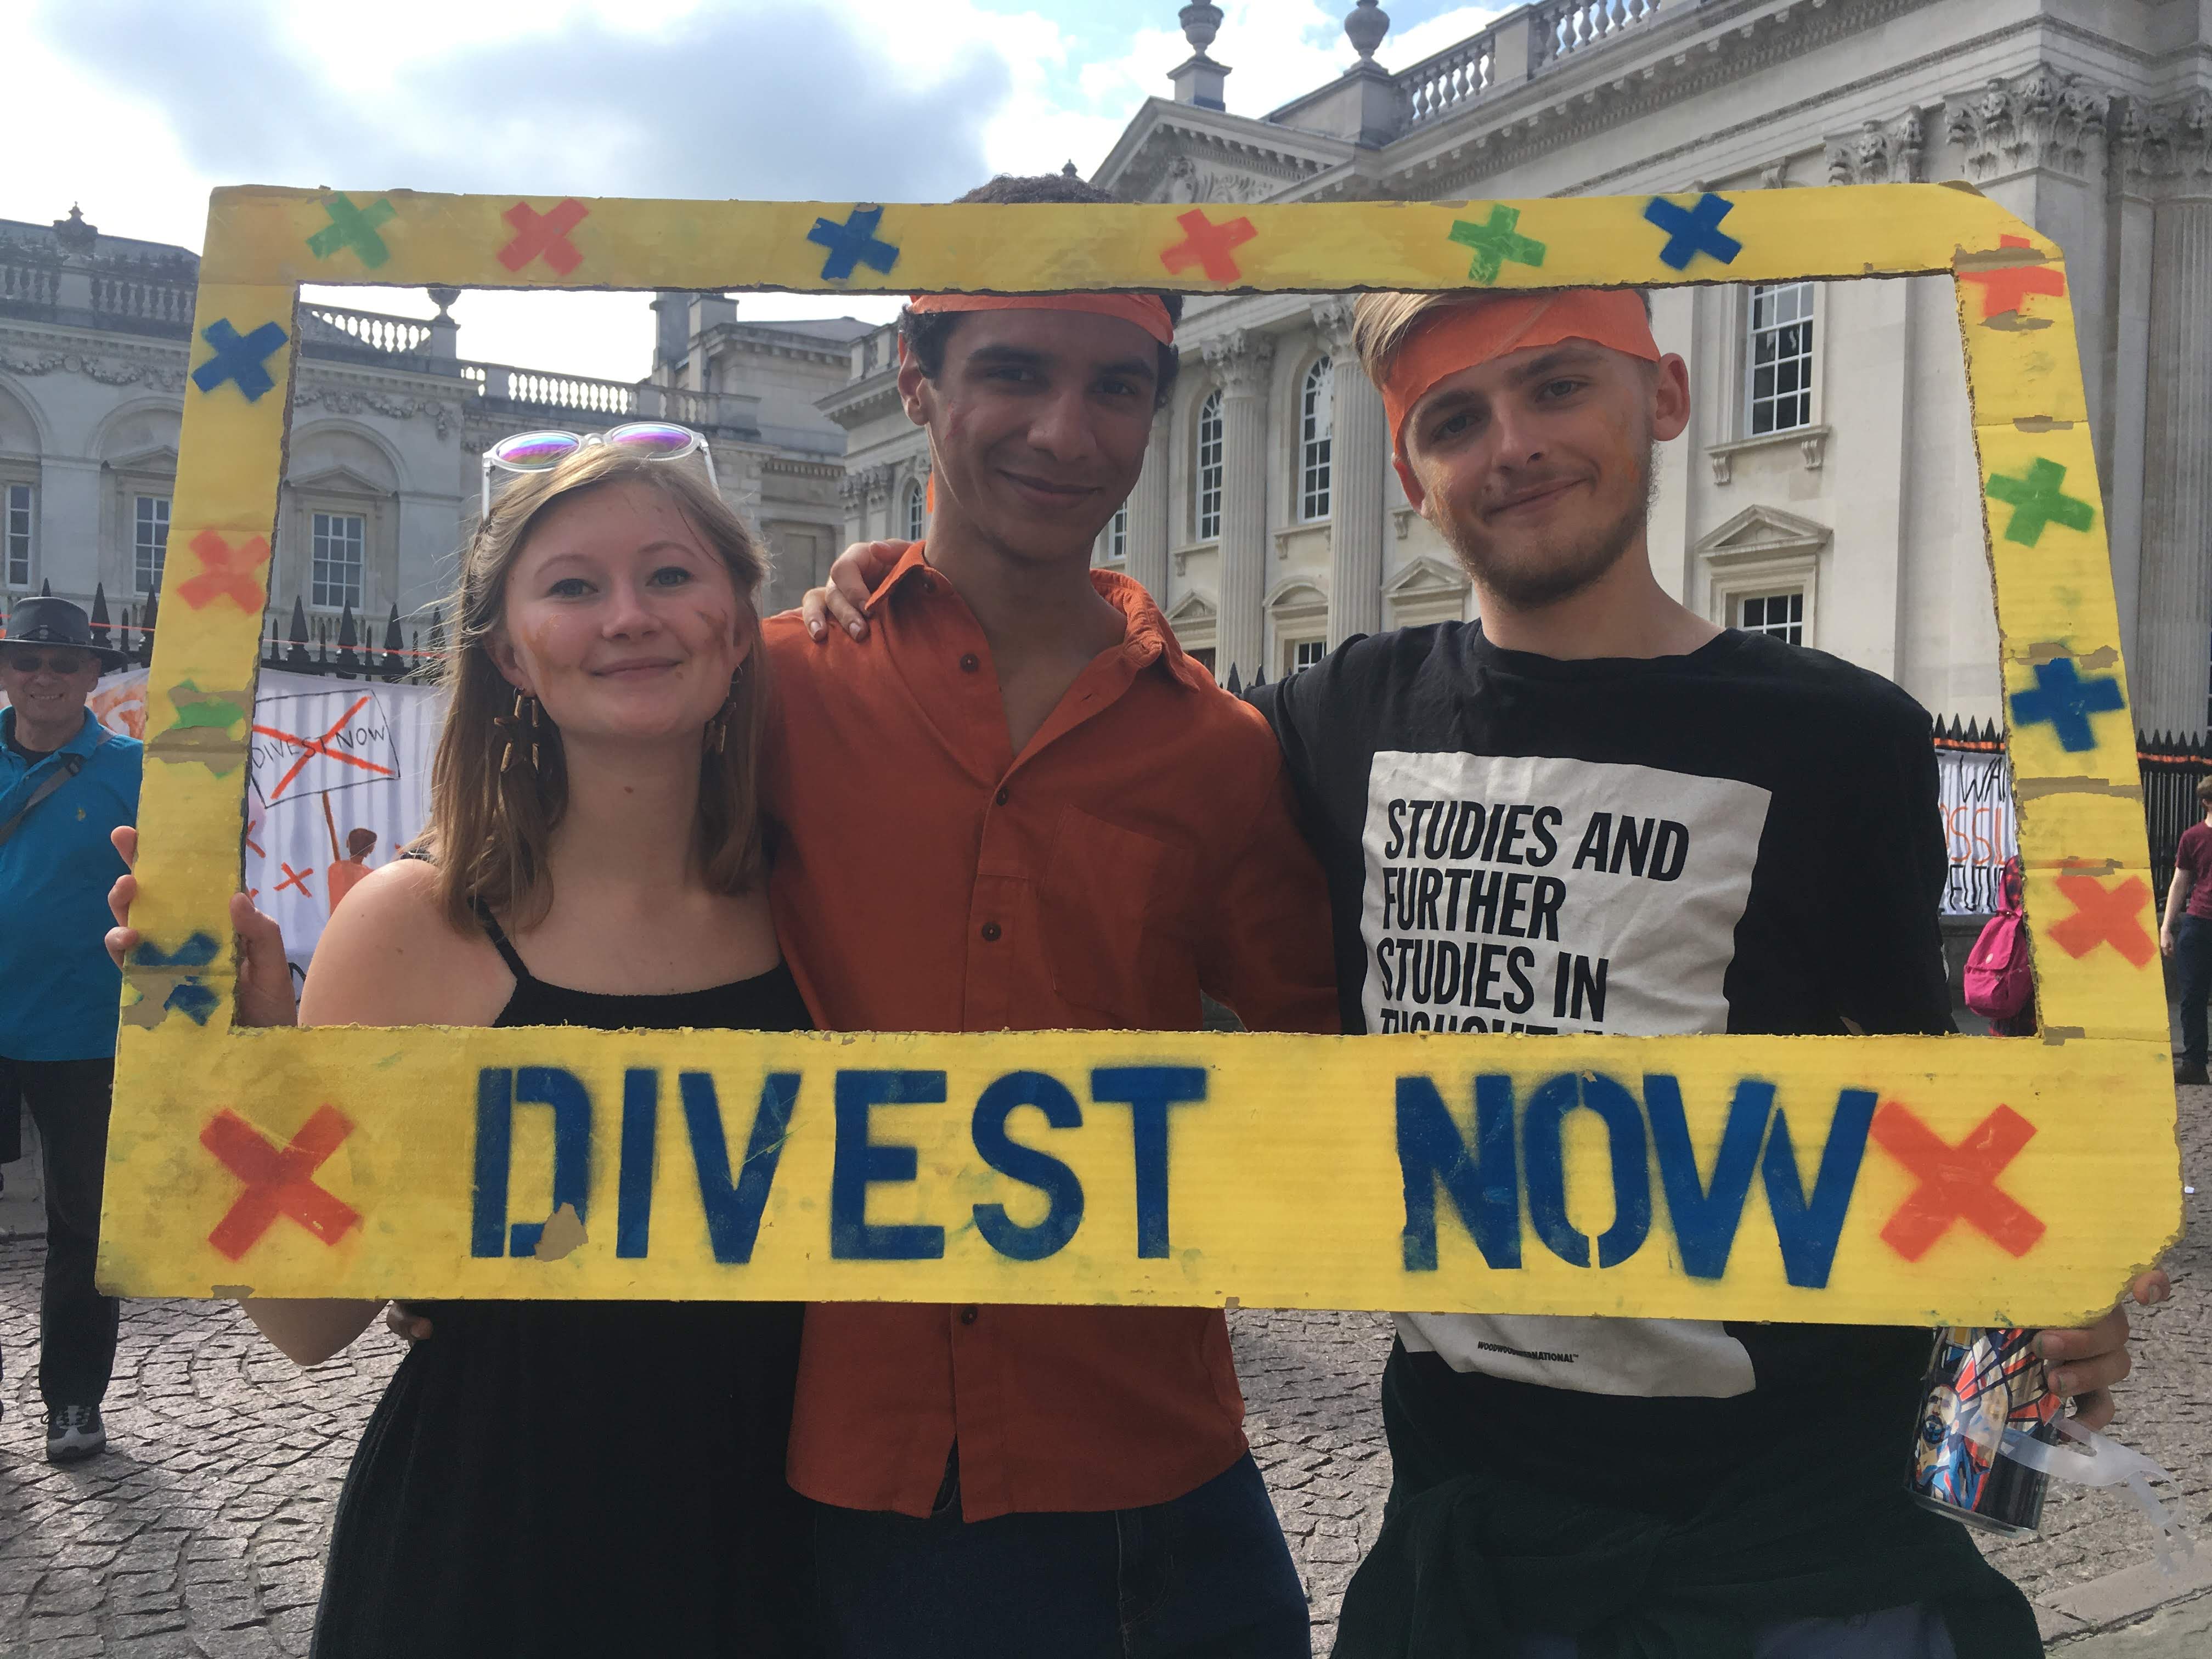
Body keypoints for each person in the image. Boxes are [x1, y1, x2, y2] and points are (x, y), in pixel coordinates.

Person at [805, 283, 2159, 1659]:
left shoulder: (1844, 734)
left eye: (1560, 388)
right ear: (1409, 474)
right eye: (1457, 418)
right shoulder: (1333, 719)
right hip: (1472, 1526)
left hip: (1789, 1535)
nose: (1510, 446)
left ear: (1668, 399)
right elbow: (1113, 717)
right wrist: (906, 595)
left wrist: (2054, 1268)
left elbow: (1909, 1079)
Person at [110, 443, 817, 1656]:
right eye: (574, 587)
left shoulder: (832, 905)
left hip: (797, 1552)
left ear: (741, 624)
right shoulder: (413, 926)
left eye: (669, 575)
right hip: (496, 1555)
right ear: (507, 650)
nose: (630, 617)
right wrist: (243, 1070)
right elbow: (307, 1321)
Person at [768, 171, 1336, 1658]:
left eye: (1115, 389)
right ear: (916, 380)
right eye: (1012, 372)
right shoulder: (773, 689)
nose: (1064, 433)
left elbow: (1315, 1066)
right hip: (849, 1465)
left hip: (1150, 1456)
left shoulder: (1221, 748)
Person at [0, 594, 140, 1464]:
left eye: (62, 663)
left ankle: (75, 1401)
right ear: (7, 670)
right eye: (27, 660)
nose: (44, 677)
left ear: (92, 676)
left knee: (84, 1226)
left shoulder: (137, 769)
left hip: (89, 1030)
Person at [2157, 775, 2212, 1084]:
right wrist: (2166, 927)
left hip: (2200, 923)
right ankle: (2194, 1064)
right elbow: (2180, 882)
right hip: (2199, 921)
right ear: (2206, 802)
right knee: (2192, 996)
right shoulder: (2192, 837)